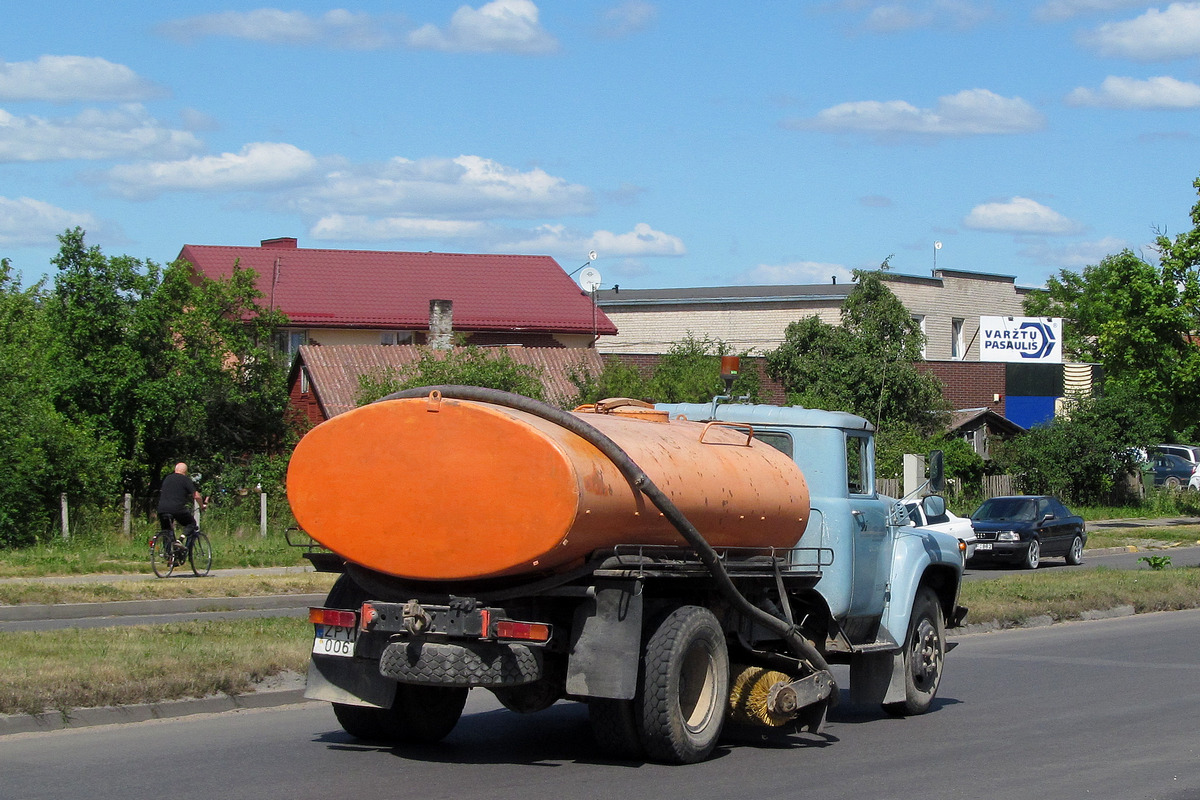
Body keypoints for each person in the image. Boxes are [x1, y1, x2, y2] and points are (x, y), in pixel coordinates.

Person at [157, 462, 205, 549]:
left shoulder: (167, 478)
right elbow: (196, 496)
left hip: (162, 509)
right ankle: (181, 539)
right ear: (185, 472)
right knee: (191, 523)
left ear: (175, 469)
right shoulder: (185, 479)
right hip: (177, 509)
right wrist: (202, 506)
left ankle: (169, 557)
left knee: (167, 532)